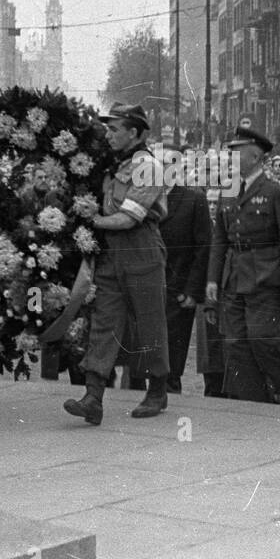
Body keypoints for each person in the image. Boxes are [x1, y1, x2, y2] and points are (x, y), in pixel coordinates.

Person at [63, 104, 171, 424]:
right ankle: (93, 397)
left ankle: (157, 391)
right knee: (104, 323)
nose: (108, 135)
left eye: (114, 129)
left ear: (134, 132)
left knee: (149, 323)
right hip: (112, 254)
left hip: (141, 250)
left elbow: (130, 217)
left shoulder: (148, 166)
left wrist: (93, 221)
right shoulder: (116, 165)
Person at [206, 125, 280, 405]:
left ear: (255, 157)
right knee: (235, 343)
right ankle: (254, 403)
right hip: (234, 277)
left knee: (262, 339)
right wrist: (212, 279)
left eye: (237, 153)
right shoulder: (228, 191)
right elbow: (219, 240)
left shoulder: (276, 192)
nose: (231, 159)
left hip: (266, 278)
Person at [157, 146, 210, 393]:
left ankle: (169, 396)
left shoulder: (193, 199)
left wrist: (192, 291)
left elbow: (203, 248)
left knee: (172, 358)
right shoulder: (143, 198)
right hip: (147, 287)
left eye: (168, 163)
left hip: (178, 290)